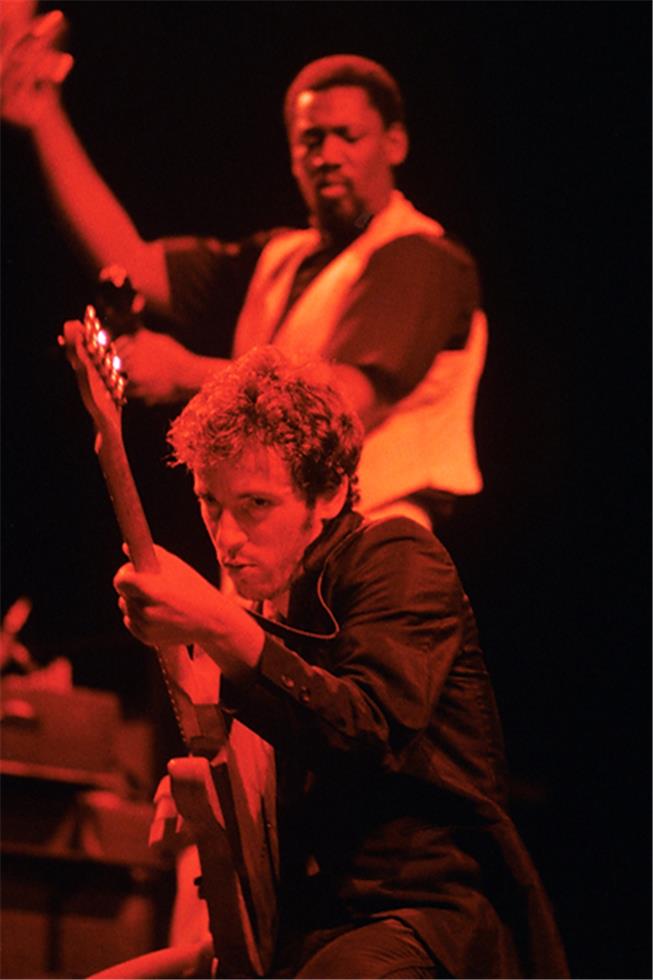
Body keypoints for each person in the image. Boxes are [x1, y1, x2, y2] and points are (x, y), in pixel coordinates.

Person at [108, 345, 568, 980]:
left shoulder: (401, 557)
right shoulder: (274, 606)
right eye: (209, 502)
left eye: (255, 504)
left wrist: (216, 623)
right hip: (310, 929)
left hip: (419, 923)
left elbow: (362, 727)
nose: (227, 534)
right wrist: (210, 802)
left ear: (326, 493)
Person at [1, 8, 486, 529]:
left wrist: (186, 373)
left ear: (395, 143)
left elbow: (344, 402)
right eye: (311, 139)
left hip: (373, 544)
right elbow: (134, 262)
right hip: (283, 552)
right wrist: (44, 117)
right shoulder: (281, 258)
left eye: (349, 135)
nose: (328, 155)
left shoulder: (419, 255)